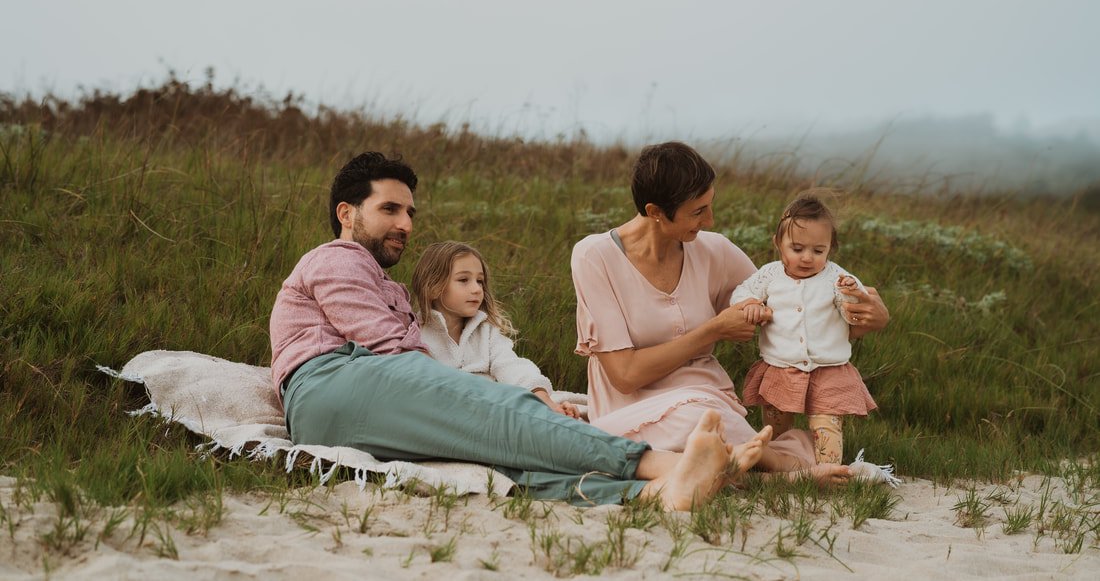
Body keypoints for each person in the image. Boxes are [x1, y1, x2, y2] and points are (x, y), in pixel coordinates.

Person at [269, 151, 770, 508]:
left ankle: (656, 493)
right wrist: (510, 398)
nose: (406, 224)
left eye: (410, 213)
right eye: (390, 209)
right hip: (331, 382)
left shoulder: (392, 289)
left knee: (499, 462)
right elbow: (396, 355)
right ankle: (659, 465)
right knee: (504, 414)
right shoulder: (336, 258)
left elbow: (419, 369)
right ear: (346, 213)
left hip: (350, 410)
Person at [571, 142, 889, 484]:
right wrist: (714, 329)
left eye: (710, 206)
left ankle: (743, 464)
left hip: (705, 396)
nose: (710, 220)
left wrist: (870, 313)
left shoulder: (715, 250)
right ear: (656, 211)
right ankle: (780, 468)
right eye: (698, 212)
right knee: (698, 422)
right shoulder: (595, 256)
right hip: (629, 407)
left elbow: (794, 302)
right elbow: (625, 374)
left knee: (706, 422)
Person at [731, 193, 877, 465]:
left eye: (818, 251)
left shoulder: (837, 277)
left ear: (830, 248)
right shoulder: (770, 274)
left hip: (828, 369)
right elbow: (741, 293)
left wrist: (850, 295)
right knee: (775, 428)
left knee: (827, 427)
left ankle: (827, 468)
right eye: (797, 249)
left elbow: (856, 308)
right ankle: (774, 464)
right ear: (779, 244)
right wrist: (750, 304)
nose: (808, 258)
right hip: (780, 367)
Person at [410, 240, 580, 418]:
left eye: (480, 281)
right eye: (463, 280)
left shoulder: (486, 331)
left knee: (581, 412)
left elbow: (511, 366)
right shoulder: (416, 333)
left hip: (496, 407)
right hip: (450, 414)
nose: (476, 289)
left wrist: (544, 401)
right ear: (433, 288)